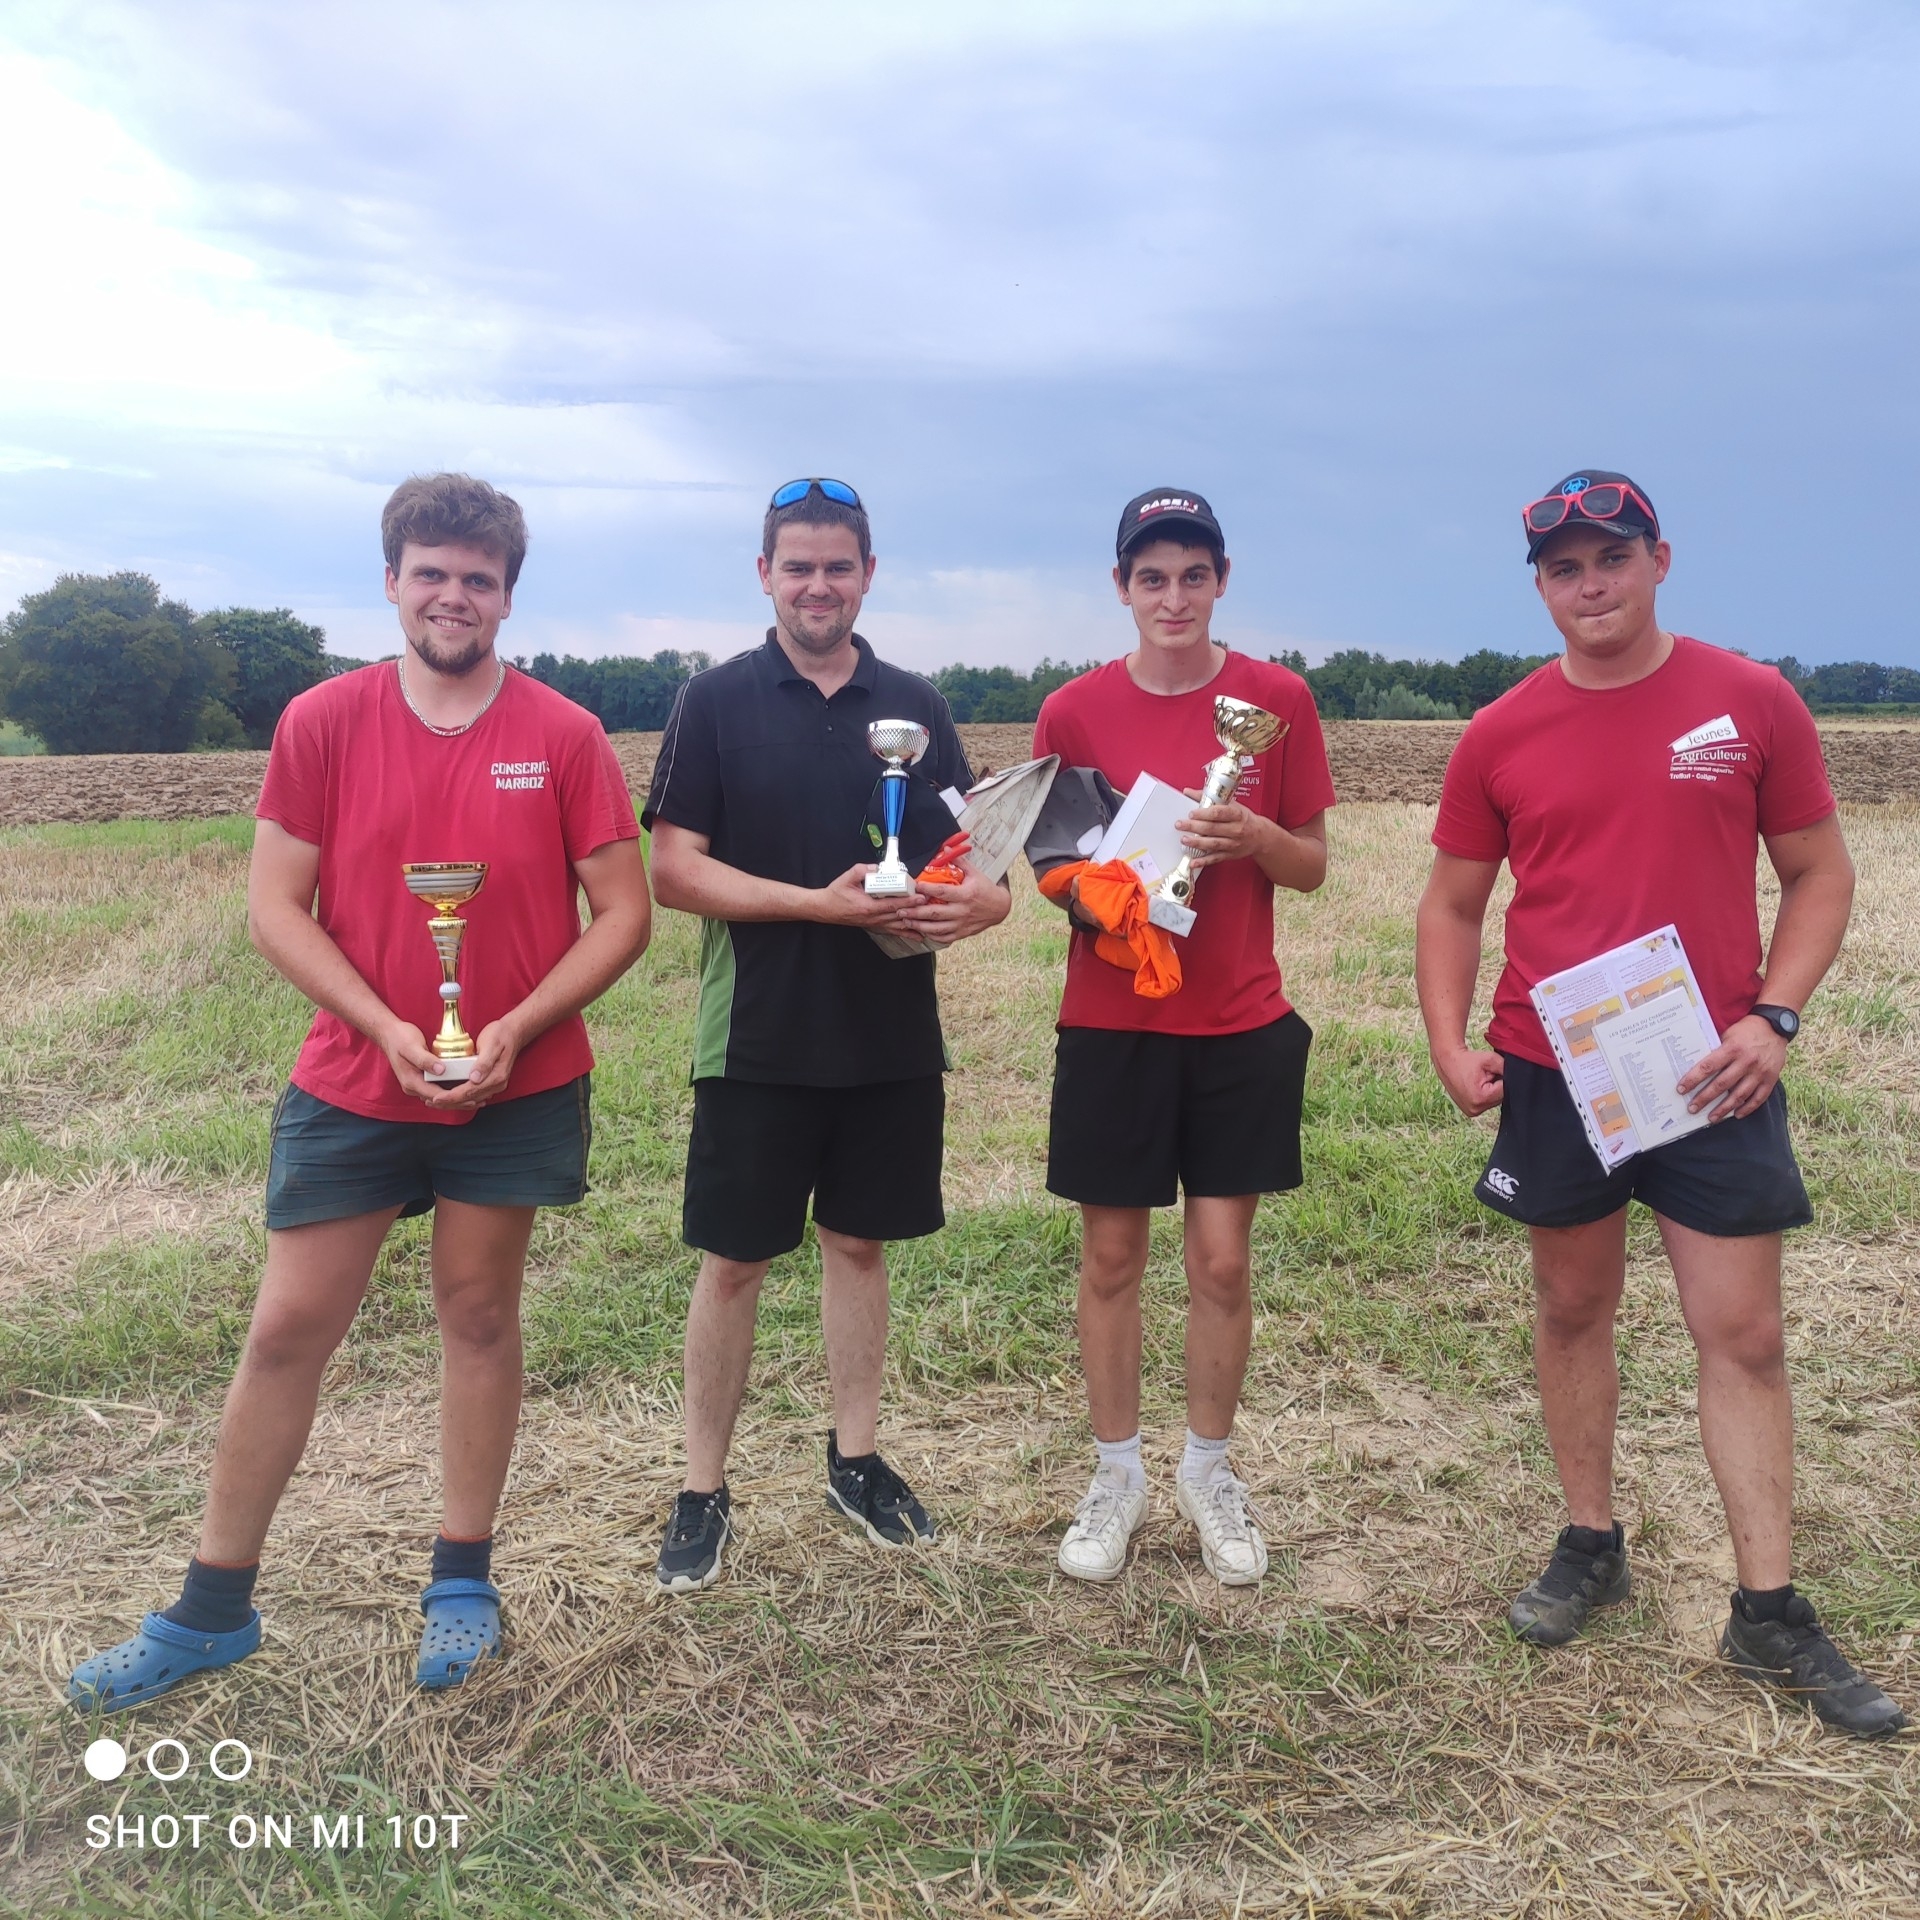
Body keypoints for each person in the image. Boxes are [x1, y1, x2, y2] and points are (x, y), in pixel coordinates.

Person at [69, 473, 651, 1712]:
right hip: (353, 1078)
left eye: (479, 579)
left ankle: (461, 1582)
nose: (454, 596)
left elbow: (625, 914)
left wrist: (509, 1031)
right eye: (431, 572)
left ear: (507, 596)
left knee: (479, 1319)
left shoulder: (563, 734)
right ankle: (211, 1607)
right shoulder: (322, 720)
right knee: (287, 1330)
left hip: (521, 1079)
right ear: (392, 581)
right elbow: (275, 905)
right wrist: (388, 1026)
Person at [1415, 468, 1903, 1737]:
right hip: (1555, 1068)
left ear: (1660, 559)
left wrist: (1773, 1017)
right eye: (1565, 567)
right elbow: (1454, 902)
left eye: (1612, 558)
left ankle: (1769, 1609)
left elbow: (1818, 875)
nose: (1592, 584)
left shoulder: (1751, 702)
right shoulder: (1500, 731)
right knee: (1571, 1305)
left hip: (1709, 1069)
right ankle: (1591, 1543)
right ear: (1540, 587)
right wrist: (1446, 1038)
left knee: (1740, 1332)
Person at [642, 478, 1011, 1592]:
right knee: (736, 1261)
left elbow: (974, 867)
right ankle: (702, 1489)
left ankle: (857, 1462)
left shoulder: (915, 704)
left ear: (867, 575)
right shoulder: (713, 702)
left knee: (861, 1245)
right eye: (796, 566)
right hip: (755, 1030)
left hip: (889, 1032)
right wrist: (817, 902)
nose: (817, 585)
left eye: (837, 566)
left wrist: (984, 906)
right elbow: (672, 869)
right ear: (765, 576)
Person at [1031, 489, 1334, 1586]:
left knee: (1221, 1259)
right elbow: (1053, 873)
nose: (1172, 596)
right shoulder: (1071, 712)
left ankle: (1209, 1468)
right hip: (1114, 1022)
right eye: (1150, 578)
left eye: (1191, 576)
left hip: (1239, 1020)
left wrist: (1251, 834)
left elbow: (1313, 861)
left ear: (1221, 580)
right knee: (1111, 1257)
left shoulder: (1275, 700)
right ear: (1122, 587)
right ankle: (1117, 1473)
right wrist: (1106, 897)